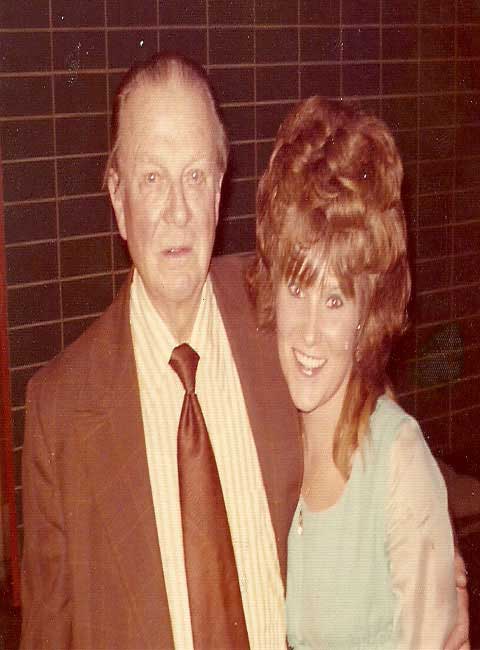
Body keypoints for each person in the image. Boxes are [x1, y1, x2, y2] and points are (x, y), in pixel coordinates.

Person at [20, 54, 468, 649]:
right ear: (118, 198)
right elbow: (48, 633)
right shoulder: (60, 409)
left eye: (195, 176)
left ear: (219, 189)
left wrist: (435, 563)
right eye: (152, 179)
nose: (178, 210)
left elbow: (375, 437)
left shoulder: (286, 319)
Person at [247, 96, 462, 648]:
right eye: (298, 289)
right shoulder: (269, 437)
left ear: (367, 313)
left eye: (336, 300)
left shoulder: (397, 462)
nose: (310, 332)